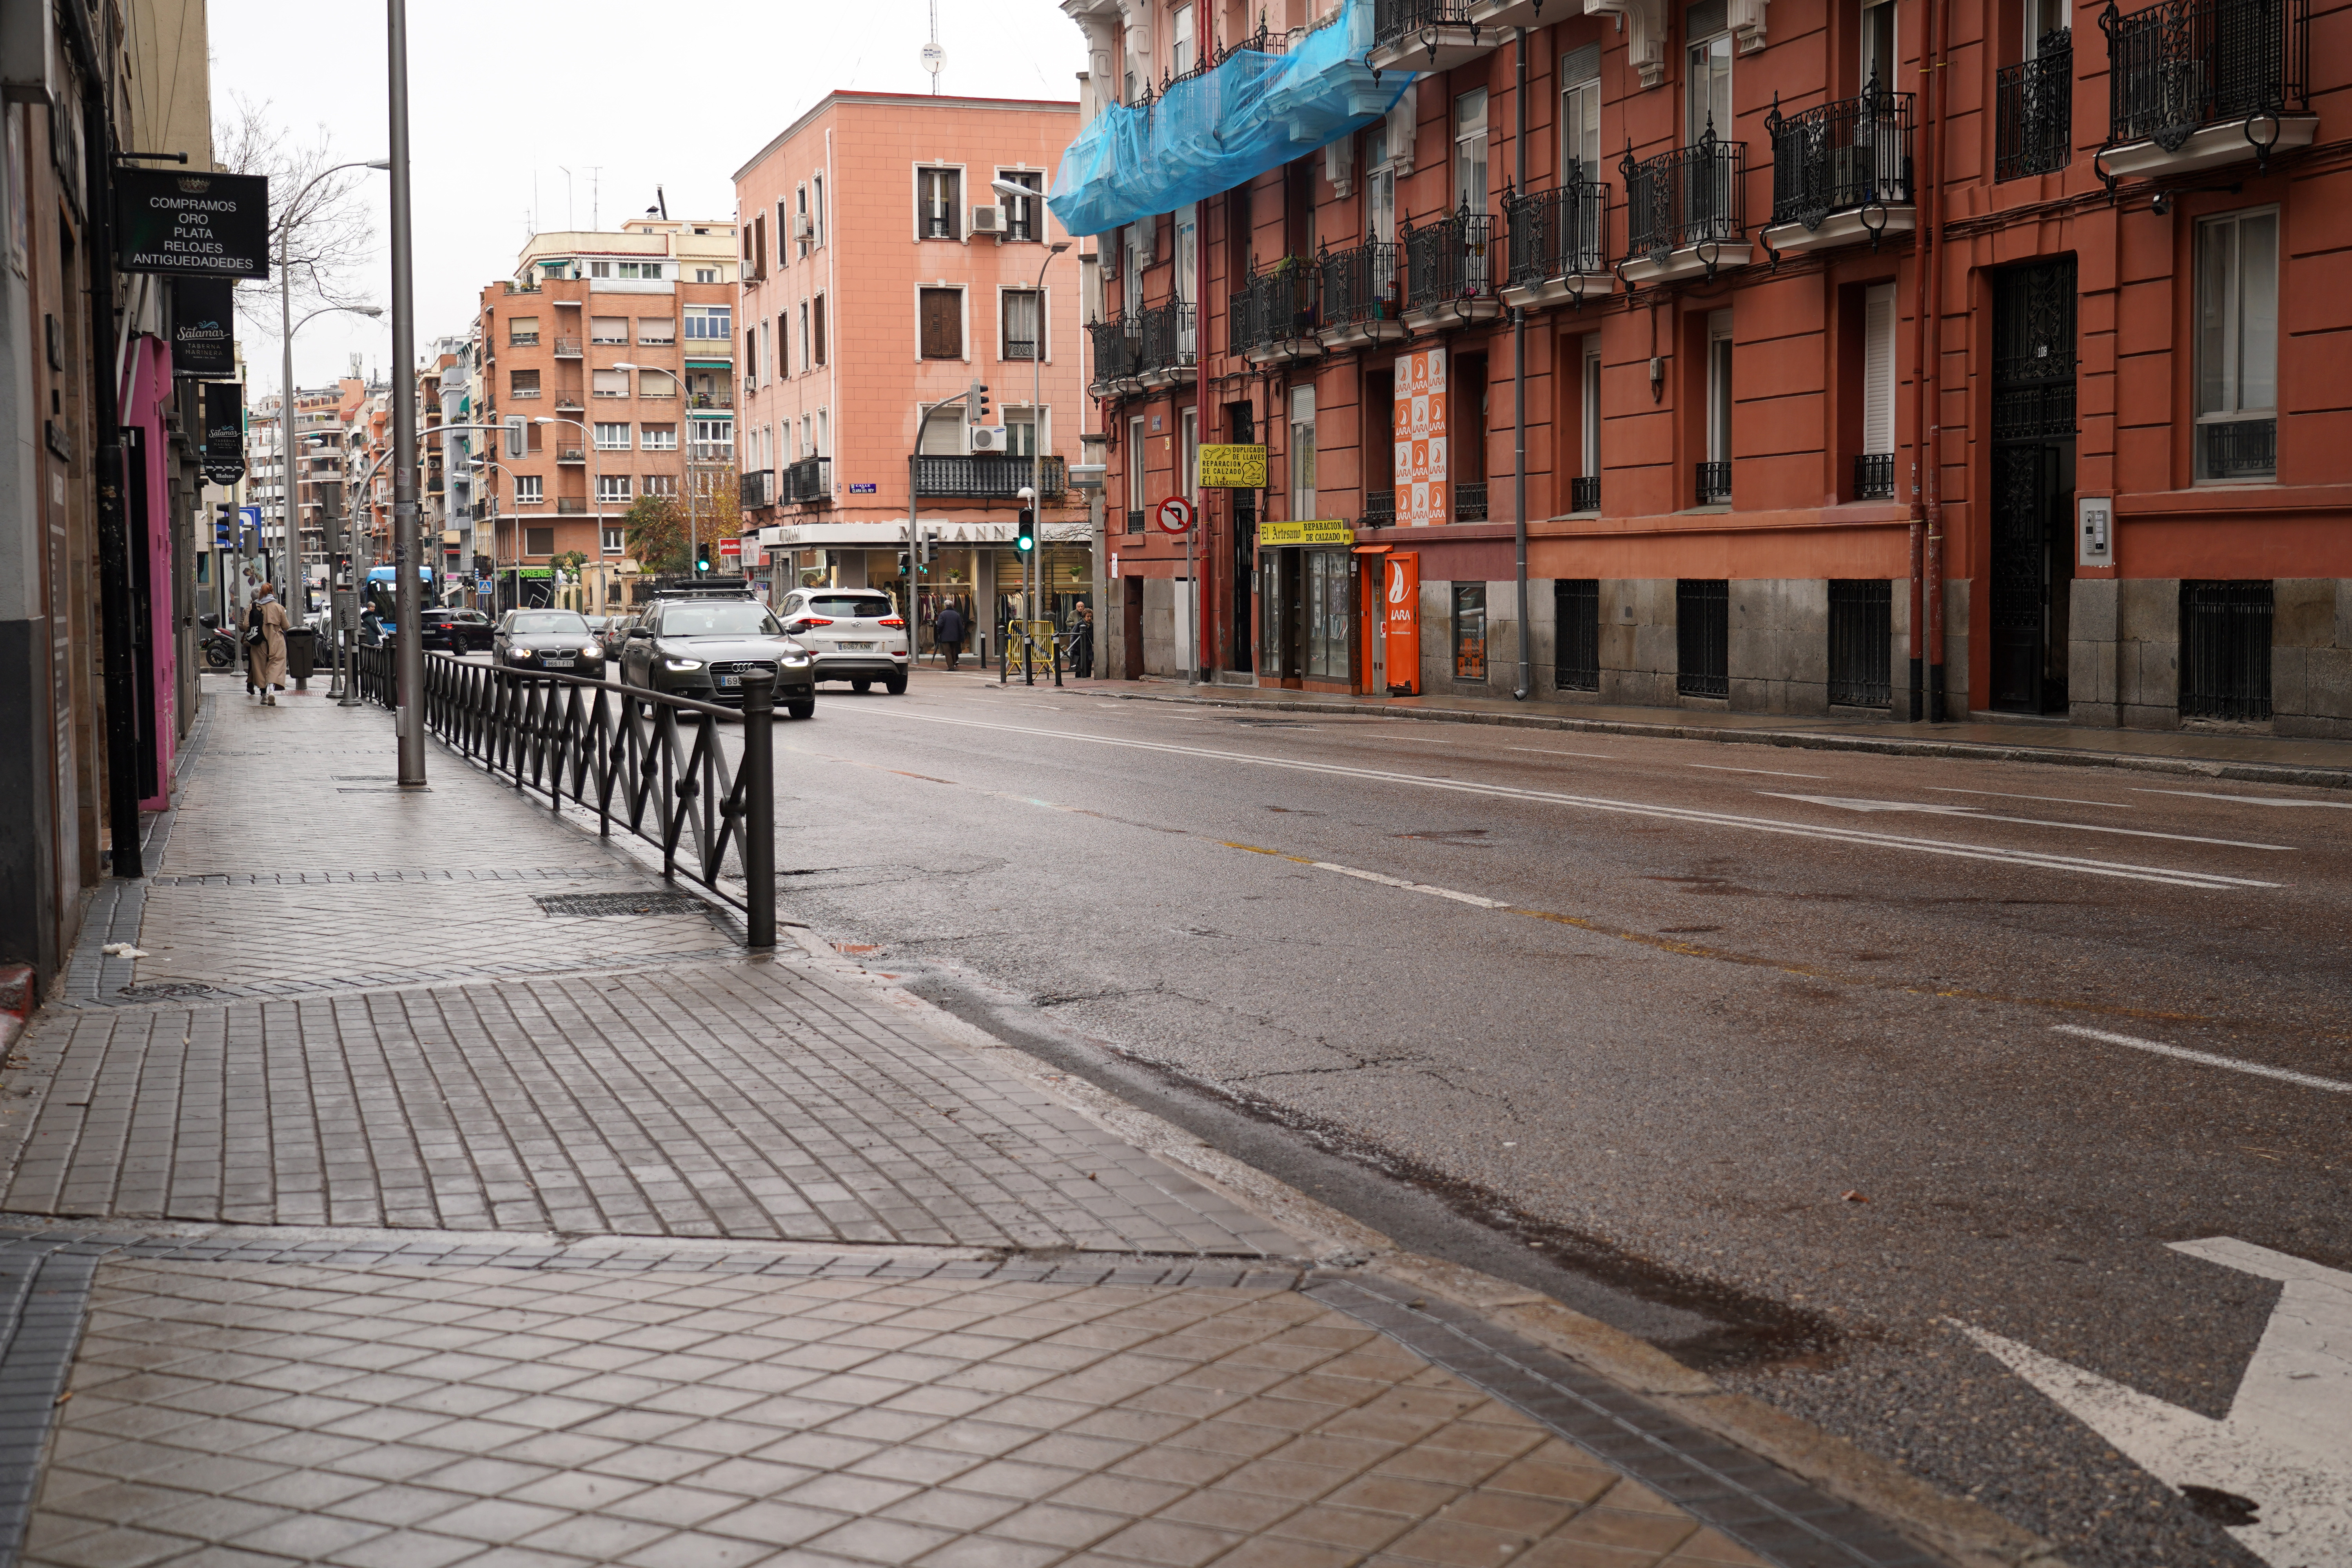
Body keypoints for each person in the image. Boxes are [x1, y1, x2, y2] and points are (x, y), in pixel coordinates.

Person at [247, 583, 290, 706]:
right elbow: (286, 626)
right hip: (276, 641)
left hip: (259, 641)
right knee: (275, 665)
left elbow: (245, 625)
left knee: (260, 667)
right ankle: (272, 690)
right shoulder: (279, 607)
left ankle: (264, 695)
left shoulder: (253, 607)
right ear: (273, 593)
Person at [933, 601, 967, 671]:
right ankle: (953, 664)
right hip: (955, 636)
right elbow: (961, 627)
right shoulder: (957, 615)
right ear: (952, 606)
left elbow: (940, 625)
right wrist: (962, 637)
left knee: (947, 652)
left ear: (945, 606)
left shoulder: (942, 614)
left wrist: (939, 633)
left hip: (945, 636)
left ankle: (951, 667)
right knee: (953, 650)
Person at [1068, 601, 1096, 679]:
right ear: (1084, 617)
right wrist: (1073, 650)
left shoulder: (1093, 625)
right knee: (1080, 667)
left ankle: (1087, 679)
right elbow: (1074, 637)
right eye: (1088, 617)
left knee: (1088, 665)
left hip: (1089, 649)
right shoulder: (1079, 625)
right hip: (1080, 649)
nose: (1089, 618)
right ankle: (1079, 680)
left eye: (1091, 617)